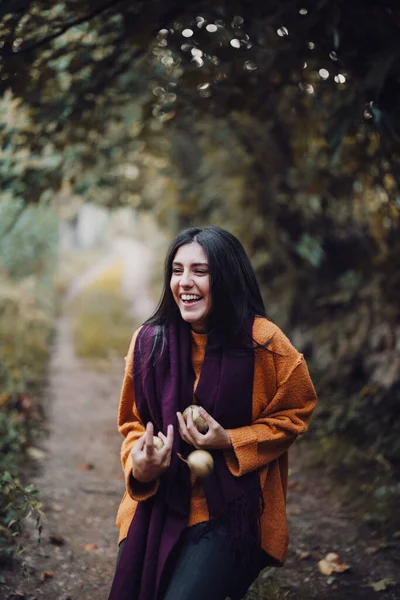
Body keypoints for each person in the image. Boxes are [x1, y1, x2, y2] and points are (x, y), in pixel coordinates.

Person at [109, 226, 317, 600]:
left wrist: (232, 440)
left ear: (226, 275)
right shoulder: (148, 342)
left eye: (199, 271)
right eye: (176, 270)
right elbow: (133, 425)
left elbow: (296, 411)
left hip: (233, 510)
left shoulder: (265, 343)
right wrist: (141, 465)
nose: (184, 282)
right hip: (160, 502)